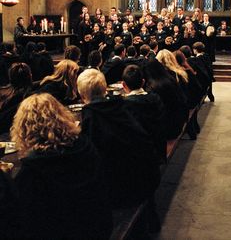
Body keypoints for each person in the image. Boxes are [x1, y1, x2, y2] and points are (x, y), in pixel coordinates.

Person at [11, 93, 112, 240]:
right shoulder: (85, 146)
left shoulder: (32, 169)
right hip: (99, 225)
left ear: (24, 128)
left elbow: (29, 218)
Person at [77, 69, 160, 209]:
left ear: (81, 94)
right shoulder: (122, 106)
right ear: (104, 89)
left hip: (121, 188)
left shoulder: (91, 118)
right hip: (146, 176)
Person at [0, 62, 33, 134]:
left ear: (10, 77)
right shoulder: (30, 98)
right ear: (30, 76)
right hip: (14, 135)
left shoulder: (3, 92)